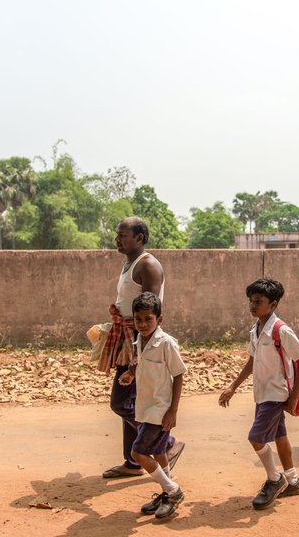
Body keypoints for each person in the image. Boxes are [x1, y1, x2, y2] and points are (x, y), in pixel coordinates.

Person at [100, 217, 184, 479]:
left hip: (139, 339)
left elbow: (150, 308)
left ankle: (165, 443)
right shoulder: (130, 264)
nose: (118, 239)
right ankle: (133, 461)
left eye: (123, 235)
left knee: (121, 402)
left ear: (140, 237)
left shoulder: (148, 265)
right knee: (133, 402)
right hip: (128, 336)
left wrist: (141, 343)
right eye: (118, 234)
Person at [218, 277, 299, 510]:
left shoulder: (281, 330)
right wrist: (233, 387)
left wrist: (294, 396)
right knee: (279, 436)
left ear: (273, 304)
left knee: (256, 437)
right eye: (251, 300)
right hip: (262, 393)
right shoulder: (256, 330)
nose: (253, 305)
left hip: (276, 395)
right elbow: (252, 361)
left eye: (258, 301)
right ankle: (293, 481)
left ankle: (274, 479)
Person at [118, 292, 187, 519]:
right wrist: (130, 374)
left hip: (160, 409)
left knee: (137, 453)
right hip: (145, 406)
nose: (143, 324)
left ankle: (172, 490)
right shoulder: (140, 340)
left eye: (148, 319)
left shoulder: (166, 343)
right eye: (138, 319)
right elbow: (141, 364)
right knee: (158, 451)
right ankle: (166, 492)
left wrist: (173, 410)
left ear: (160, 319)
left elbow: (178, 375)